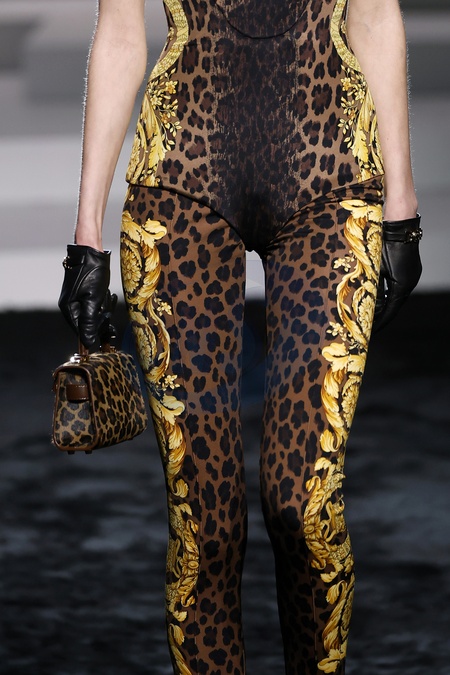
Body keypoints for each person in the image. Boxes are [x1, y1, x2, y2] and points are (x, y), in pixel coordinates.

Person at [58, 0, 422, 672]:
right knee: (205, 524)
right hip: (179, 184)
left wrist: (401, 207)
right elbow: (119, 32)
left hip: (332, 181)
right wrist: (87, 238)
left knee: (303, 507)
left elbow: (373, 12)